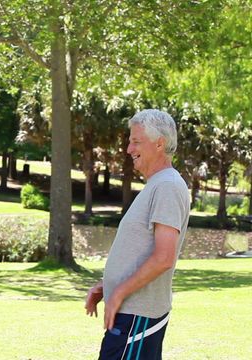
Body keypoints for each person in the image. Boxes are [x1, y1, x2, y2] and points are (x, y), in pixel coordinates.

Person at [85, 109, 190, 360]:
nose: (129, 149)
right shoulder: (157, 185)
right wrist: (108, 286)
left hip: (137, 318)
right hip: (129, 316)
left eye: (135, 141)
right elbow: (139, 250)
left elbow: (164, 257)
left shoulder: (167, 186)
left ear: (160, 144)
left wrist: (119, 292)